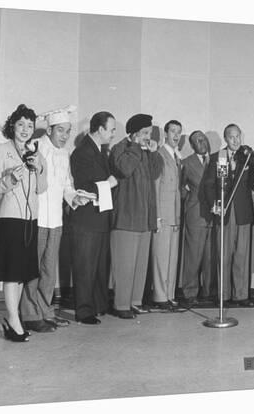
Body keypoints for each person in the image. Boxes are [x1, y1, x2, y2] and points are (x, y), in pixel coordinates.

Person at [19, 107, 88, 332]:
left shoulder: (64, 153)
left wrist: (75, 198)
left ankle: (46, 311)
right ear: (49, 129)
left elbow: (67, 185)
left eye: (68, 131)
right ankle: (29, 315)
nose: (65, 136)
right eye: (60, 131)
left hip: (56, 220)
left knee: (49, 270)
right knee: (32, 270)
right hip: (36, 219)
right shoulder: (35, 146)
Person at [0, 104, 47, 342]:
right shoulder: (2, 150)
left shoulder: (36, 152)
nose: (25, 129)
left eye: (30, 126)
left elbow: (42, 188)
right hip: (9, 218)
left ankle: (15, 319)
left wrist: (38, 169)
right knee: (12, 272)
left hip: (30, 218)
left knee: (23, 273)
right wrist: (11, 177)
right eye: (21, 124)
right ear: (12, 125)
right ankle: (13, 320)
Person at [203, 124, 254, 306]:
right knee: (224, 254)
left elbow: (253, 185)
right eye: (232, 137)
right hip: (225, 212)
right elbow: (209, 185)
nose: (236, 140)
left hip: (243, 213)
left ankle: (241, 295)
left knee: (242, 255)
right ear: (225, 139)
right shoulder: (217, 158)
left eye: (238, 136)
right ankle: (224, 295)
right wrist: (216, 204)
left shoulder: (247, 158)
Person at [109, 114, 163, 319]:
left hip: (144, 217)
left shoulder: (145, 151)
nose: (148, 137)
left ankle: (135, 301)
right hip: (126, 216)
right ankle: (121, 304)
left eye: (149, 133)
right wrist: (135, 147)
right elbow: (124, 169)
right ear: (133, 135)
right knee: (125, 264)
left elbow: (156, 173)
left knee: (140, 264)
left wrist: (154, 153)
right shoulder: (120, 149)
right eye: (145, 133)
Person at [69, 111, 118, 325]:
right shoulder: (82, 153)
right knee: (86, 267)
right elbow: (83, 186)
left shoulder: (100, 151)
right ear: (100, 129)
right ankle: (84, 311)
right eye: (112, 129)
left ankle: (98, 305)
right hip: (86, 220)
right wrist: (109, 184)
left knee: (98, 266)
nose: (113, 134)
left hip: (99, 218)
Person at [180, 131, 215, 305]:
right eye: (198, 141)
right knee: (193, 255)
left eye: (204, 139)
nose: (203, 142)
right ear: (193, 146)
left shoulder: (216, 160)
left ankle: (208, 292)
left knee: (210, 257)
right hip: (195, 214)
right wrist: (189, 198)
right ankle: (190, 292)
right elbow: (180, 187)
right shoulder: (186, 163)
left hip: (214, 216)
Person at [151, 120, 183, 310]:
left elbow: (176, 190)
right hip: (162, 215)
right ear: (165, 133)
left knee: (171, 259)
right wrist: (157, 216)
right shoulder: (159, 155)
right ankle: (160, 297)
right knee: (161, 258)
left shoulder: (176, 157)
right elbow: (155, 188)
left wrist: (177, 216)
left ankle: (169, 295)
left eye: (179, 132)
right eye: (173, 131)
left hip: (174, 216)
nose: (176, 136)